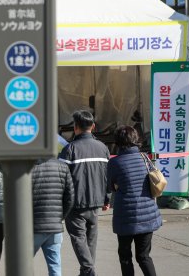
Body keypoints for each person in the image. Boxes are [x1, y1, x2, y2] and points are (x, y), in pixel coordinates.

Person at [59, 110, 111, 276]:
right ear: (93, 126)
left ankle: (88, 270)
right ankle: (87, 271)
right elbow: (107, 176)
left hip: (75, 203)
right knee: (90, 239)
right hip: (96, 201)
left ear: (75, 127)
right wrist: (107, 198)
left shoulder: (70, 149)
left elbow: (60, 177)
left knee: (78, 237)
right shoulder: (103, 148)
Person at [108, 126, 161, 276]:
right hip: (148, 214)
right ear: (135, 139)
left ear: (117, 141)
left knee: (125, 257)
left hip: (126, 216)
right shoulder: (144, 157)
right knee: (144, 256)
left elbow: (111, 186)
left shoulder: (115, 163)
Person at [32, 157, 75, 276]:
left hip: (32, 227)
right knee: (55, 266)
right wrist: (60, 217)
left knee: (22, 264)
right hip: (55, 226)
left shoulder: (26, 168)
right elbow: (70, 198)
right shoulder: (62, 166)